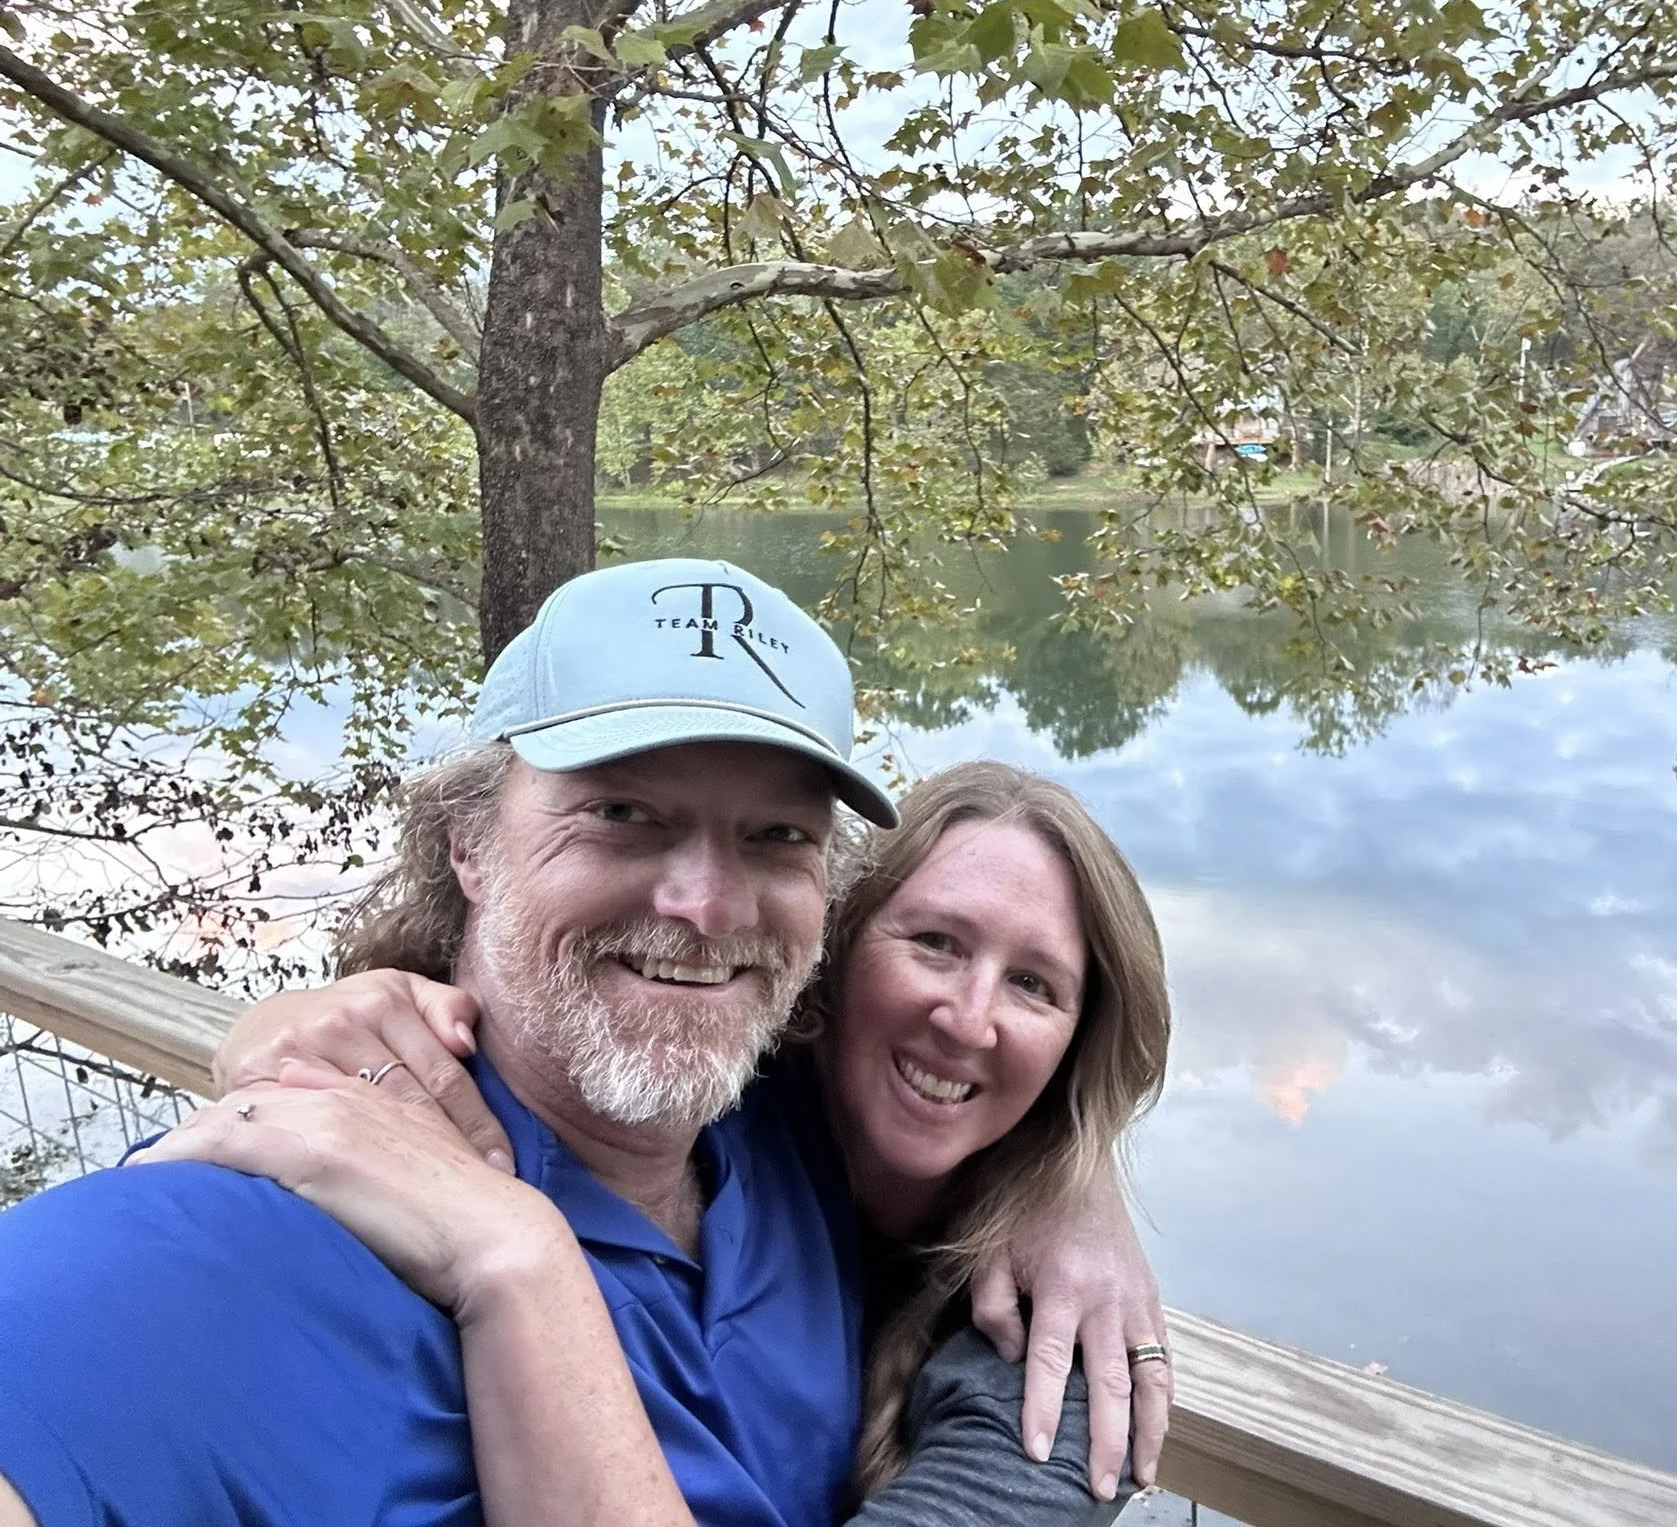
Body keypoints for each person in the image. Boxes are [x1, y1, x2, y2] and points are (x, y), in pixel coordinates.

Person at [0, 556, 1165, 1527]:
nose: (707, 908)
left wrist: (1069, 1173)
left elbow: (951, 1073)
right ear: (468, 843)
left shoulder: (774, 1134)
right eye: (621, 813)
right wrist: (513, 1252)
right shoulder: (214, 1241)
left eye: (773, 835)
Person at [165, 758, 1173, 1524]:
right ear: (831, 949)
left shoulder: (1057, 1354)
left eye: (1036, 986)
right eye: (934, 943)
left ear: (1080, 1042)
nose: (967, 1016)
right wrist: (280, 1032)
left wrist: (1075, 1185)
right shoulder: (724, 1100)